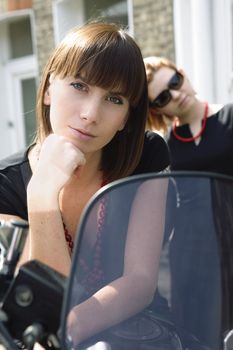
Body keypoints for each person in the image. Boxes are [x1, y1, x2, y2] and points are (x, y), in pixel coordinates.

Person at [0, 22, 170, 346]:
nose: (91, 114)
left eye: (115, 99)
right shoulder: (5, 185)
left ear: (126, 119)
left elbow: (140, 281)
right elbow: (45, 302)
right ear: (49, 88)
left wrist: (70, 330)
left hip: (141, 333)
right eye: (79, 86)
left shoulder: (146, 156)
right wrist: (42, 194)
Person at [143, 55, 233, 349]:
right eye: (163, 97)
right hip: (192, 254)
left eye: (174, 82)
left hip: (231, 240)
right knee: (199, 334)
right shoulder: (164, 146)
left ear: (182, 73)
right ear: (157, 109)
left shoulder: (229, 116)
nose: (176, 95)